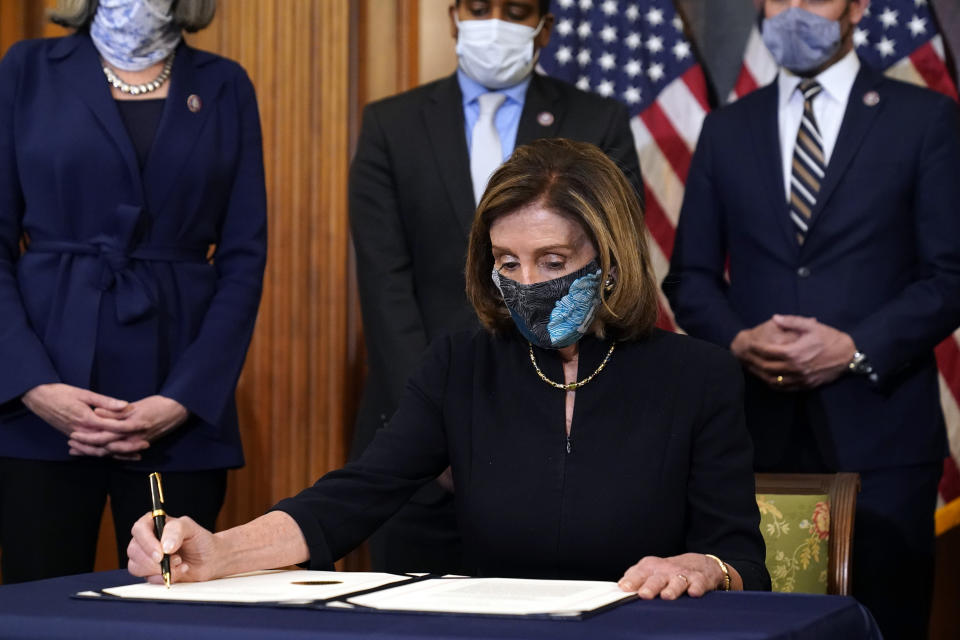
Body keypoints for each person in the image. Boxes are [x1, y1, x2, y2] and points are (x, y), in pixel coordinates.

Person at [127, 138, 769, 598]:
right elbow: (354, 496)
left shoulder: (698, 376)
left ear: (611, 258)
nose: (526, 284)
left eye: (552, 261)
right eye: (507, 262)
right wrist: (218, 550)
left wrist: (704, 566)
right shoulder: (461, 364)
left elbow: (741, 558)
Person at [664, 0, 960, 636]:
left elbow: (950, 276)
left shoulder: (925, 118)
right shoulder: (726, 127)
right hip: (753, 437)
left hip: (882, 439)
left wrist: (854, 346)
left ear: (857, 8)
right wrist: (738, 340)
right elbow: (688, 277)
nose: (793, 10)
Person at [350, 0, 643, 575]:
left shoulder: (598, 119)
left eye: (514, 9)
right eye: (479, 8)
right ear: (453, 16)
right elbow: (385, 286)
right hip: (418, 437)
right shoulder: (391, 123)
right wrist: (439, 425)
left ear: (544, 27)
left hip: (562, 425)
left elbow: (616, 266)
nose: (494, 23)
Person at [0, 0, 266, 583]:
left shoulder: (224, 84)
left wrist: (184, 399)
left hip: (178, 403)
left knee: (176, 599)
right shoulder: (25, 68)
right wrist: (33, 386)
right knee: (34, 600)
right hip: (38, 403)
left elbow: (245, 259)